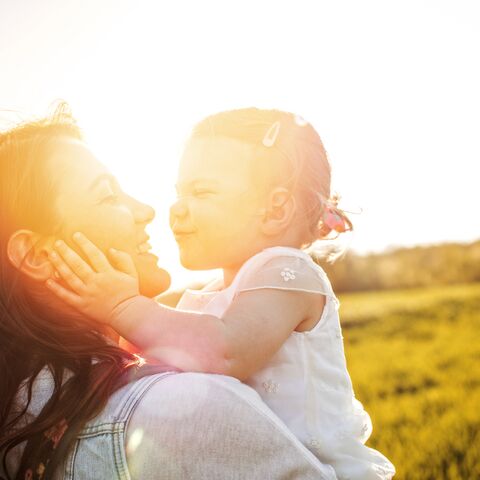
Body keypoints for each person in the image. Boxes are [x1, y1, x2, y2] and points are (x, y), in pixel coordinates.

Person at [47, 108, 395, 480]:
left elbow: (226, 351)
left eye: (202, 191)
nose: (176, 209)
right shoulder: (209, 297)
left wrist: (122, 305)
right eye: (179, 192)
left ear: (275, 210)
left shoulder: (287, 274)